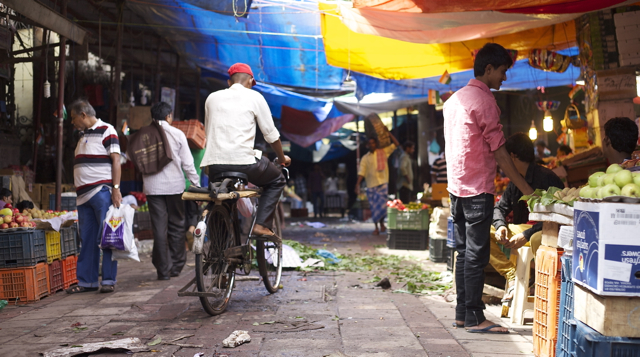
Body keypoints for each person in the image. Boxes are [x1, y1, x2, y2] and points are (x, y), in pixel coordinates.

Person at [443, 43, 534, 333]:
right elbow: (500, 151)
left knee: (463, 252)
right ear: (489, 69)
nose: (504, 78)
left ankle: (462, 313)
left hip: (456, 188)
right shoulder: (484, 102)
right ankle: (474, 317)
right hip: (476, 190)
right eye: (503, 71)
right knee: (476, 256)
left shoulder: (452, 100)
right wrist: (525, 188)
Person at [202, 63, 290, 240]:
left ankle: (220, 249)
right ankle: (262, 225)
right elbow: (271, 135)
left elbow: (208, 131)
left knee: (222, 199)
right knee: (276, 180)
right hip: (244, 164)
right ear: (250, 81)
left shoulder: (212, 98)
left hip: (213, 165)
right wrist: (282, 157)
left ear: (229, 82)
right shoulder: (254, 97)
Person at [492, 133, 564, 301]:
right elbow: (500, 208)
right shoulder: (515, 182)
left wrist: (526, 235)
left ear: (512, 156)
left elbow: (556, 216)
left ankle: (535, 285)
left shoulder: (547, 178)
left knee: (538, 239)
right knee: (482, 231)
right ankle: (510, 275)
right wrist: (501, 226)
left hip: (545, 232)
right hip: (522, 230)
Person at [66, 99, 122, 294]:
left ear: (83, 115)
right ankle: (87, 281)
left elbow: (116, 160)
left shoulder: (107, 130)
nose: (72, 122)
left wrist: (115, 188)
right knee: (87, 239)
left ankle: (108, 280)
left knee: (107, 237)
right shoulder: (82, 135)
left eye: (73, 118)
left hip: (101, 193)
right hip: (83, 198)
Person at [140, 102, 200, 280]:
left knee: (159, 228)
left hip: (152, 187)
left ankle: (162, 269)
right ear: (168, 117)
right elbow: (188, 164)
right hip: (174, 187)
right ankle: (177, 264)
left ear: (153, 117)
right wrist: (195, 185)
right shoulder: (178, 134)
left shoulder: (143, 134)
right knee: (176, 225)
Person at [355, 132, 400, 235]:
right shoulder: (365, 158)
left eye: (373, 143)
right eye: (369, 143)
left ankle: (382, 224)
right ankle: (376, 227)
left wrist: (389, 134)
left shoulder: (383, 152)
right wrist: (357, 184)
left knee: (382, 206)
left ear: (376, 144)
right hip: (371, 185)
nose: (371, 145)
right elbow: (361, 172)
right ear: (367, 145)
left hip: (383, 183)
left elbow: (397, 144)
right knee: (374, 207)